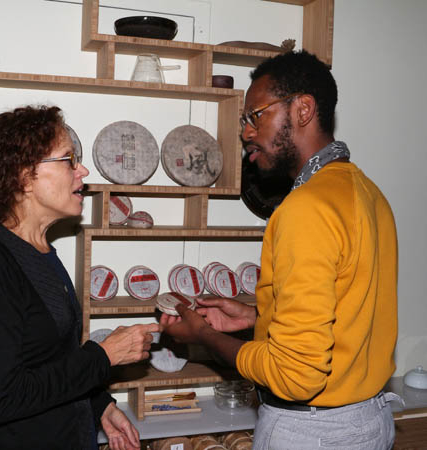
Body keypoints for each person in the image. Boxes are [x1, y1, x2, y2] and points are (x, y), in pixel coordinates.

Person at [161, 50, 400, 449]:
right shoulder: (367, 193)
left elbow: (296, 374)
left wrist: (203, 336)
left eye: (256, 115)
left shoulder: (304, 208)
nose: (246, 133)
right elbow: (346, 312)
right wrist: (258, 317)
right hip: (368, 420)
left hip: (314, 433)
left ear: (303, 109)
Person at [0, 105, 160, 450]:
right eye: (68, 160)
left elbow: (51, 360)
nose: (83, 171)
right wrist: (103, 356)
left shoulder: (41, 250)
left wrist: (99, 406)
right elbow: (5, 397)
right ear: (23, 176)